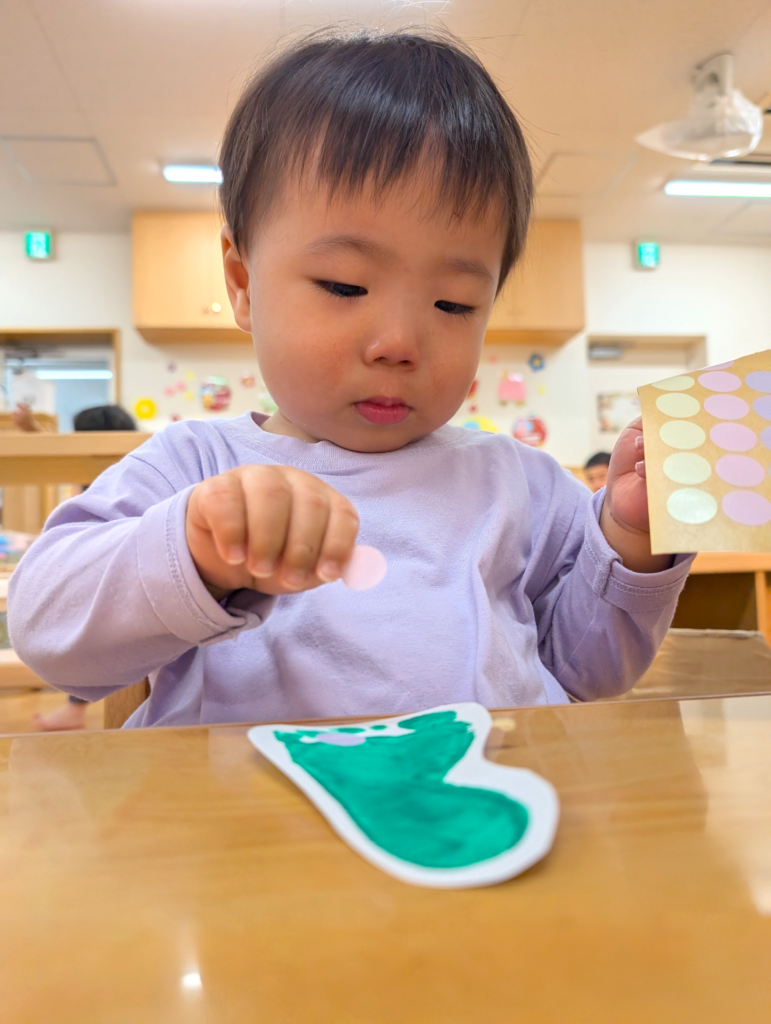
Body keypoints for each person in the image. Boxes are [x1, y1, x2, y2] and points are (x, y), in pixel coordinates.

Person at [8, 31, 693, 727]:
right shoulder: (196, 466)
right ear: (243, 284)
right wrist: (193, 550)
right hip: (246, 827)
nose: (398, 342)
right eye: (343, 285)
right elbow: (50, 639)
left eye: (452, 303)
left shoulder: (523, 484)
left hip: (481, 817)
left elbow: (589, 674)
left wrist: (632, 542)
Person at [15, 404, 137, 731]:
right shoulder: (115, 466)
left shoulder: (118, 470)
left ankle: (76, 708)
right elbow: (56, 446)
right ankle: (75, 708)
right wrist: (29, 428)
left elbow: (58, 447)